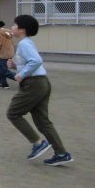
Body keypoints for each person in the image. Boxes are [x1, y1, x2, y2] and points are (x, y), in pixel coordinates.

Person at [6, 14, 73, 166]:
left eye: (15, 25)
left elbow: (36, 61)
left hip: (33, 84)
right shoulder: (27, 42)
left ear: (22, 29)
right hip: (41, 82)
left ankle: (38, 143)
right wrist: (16, 66)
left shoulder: (24, 44)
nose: (12, 27)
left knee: (13, 113)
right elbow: (31, 62)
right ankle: (61, 153)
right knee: (42, 121)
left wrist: (21, 74)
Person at [0, 20, 17, 89]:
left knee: (4, 71)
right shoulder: (8, 32)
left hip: (3, 54)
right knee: (0, 69)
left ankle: (21, 78)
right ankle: (3, 83)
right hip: (10, 53)